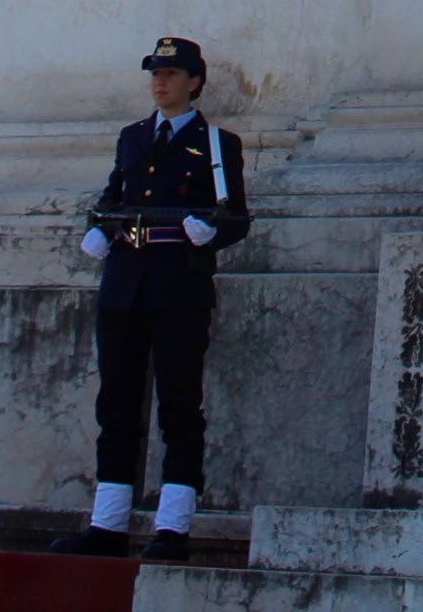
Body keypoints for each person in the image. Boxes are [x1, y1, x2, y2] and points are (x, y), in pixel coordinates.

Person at [61, 35, 251, 561]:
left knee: (179, 406)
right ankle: (108, 523)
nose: (159, 82)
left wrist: (212, 233)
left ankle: (173, 527)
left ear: (194, 82)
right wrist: (100, 225)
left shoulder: (217, 144)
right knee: (116, 404)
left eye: (170, 74)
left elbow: (234, 215)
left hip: (178, 283)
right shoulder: (133, 136)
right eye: (155, 74)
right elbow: (115, 194)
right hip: (125, 281)